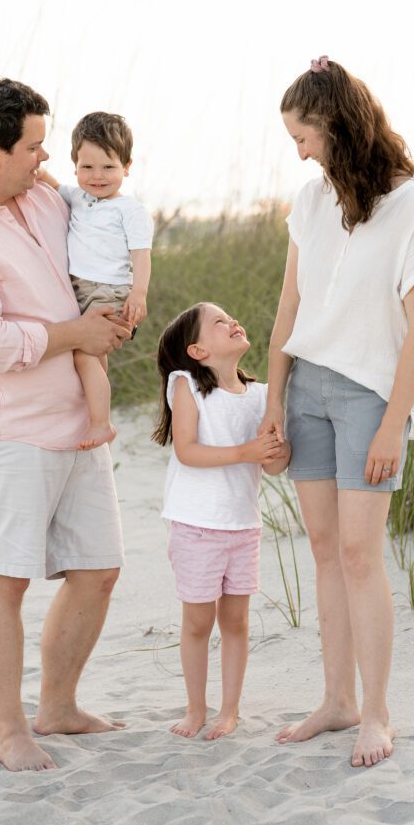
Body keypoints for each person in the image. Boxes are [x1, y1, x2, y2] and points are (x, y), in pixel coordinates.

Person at [0, 77, 133, 772]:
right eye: (35, 148)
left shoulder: (40, 197)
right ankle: (10, 731)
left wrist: (121, 302)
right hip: (4, 432)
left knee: (98, 570)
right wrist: (76, 334)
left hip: (75, 420)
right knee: (6, 579)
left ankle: (58, 708)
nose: (48, 161)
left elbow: (102, 223)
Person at [260, 56, 414, 768]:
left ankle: (376, 714)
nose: (300, 152)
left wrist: (395, 423)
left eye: (303, 137)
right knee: (321, 549)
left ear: (335, 127)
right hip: (306, 388)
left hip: (370, 397)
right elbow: (290, 306)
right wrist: (274, 401)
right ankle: (336, 700)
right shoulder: (310, 204)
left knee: (359, 554)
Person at [153, 303, 291, 740]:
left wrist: (276, 447)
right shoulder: (187, 387)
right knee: (198, 623)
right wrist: (244, 453)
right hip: (196, 526)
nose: (233, 321)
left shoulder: (260, 396)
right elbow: (187, 450)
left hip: (242, 527)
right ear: (196, 351)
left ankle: (229, 710)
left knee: (237, 623)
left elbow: (272, 466)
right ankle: (196, 709)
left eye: (232, 316)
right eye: (219, 322)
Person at [36, 112, 153, 449]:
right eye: (87, 167)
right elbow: (52, 184)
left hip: (109, 291)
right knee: (94, 355)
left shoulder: (129, 210)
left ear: (127, 167)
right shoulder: (78, 197)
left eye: (108, 167)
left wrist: (139, 294)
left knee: (84, 356)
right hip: (81, 289)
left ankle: (101, 423)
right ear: (75, 166)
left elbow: (141, 255)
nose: (97, 176)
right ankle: (95, 416)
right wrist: (35, 168)